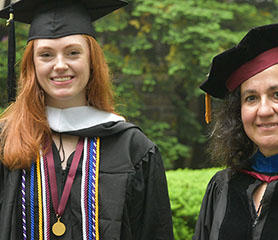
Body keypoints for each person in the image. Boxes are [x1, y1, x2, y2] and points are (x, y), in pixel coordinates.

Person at [0, 0, 174, 239]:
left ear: (92, 60)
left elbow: (154, 232)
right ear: (32, 65)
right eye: (46, 55)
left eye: (73, 52)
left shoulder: (132, 148)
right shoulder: (5, 140)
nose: (60, 65)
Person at [193, 21, 278, 240]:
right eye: (251, 98)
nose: (263, 110)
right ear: (238, 112)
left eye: (277, 94)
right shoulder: (222, 188)